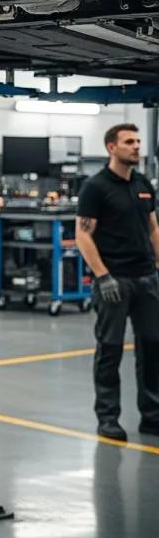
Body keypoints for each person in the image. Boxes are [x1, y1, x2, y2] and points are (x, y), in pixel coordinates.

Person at [74, 123, 159, 442]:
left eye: (138, 141)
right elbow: (83, 235)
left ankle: (152, 416)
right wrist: (103, 276)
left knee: (152, 347)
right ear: (112, 147)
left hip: (145, 279)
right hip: (114, 281)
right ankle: (108, 417)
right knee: (110, 350)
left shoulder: (143, 183)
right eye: (129, 142)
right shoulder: (96, 187)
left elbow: (152, 227)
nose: (136, 146)